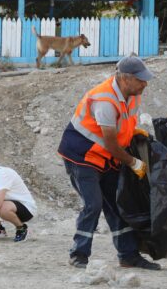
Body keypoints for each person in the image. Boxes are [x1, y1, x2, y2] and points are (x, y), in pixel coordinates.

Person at [57, 56, 161, 270]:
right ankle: (79, 254)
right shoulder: (104, 100)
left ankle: (128, 255)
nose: (145, 84)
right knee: (93, 204)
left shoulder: (132, 94)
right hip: (83, 156)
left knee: (117, 204)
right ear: (126, 79)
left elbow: (125, 124)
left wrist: (135, 133)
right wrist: (133, 162)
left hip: (105, 158)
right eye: (141, 80)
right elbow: (111, 144)